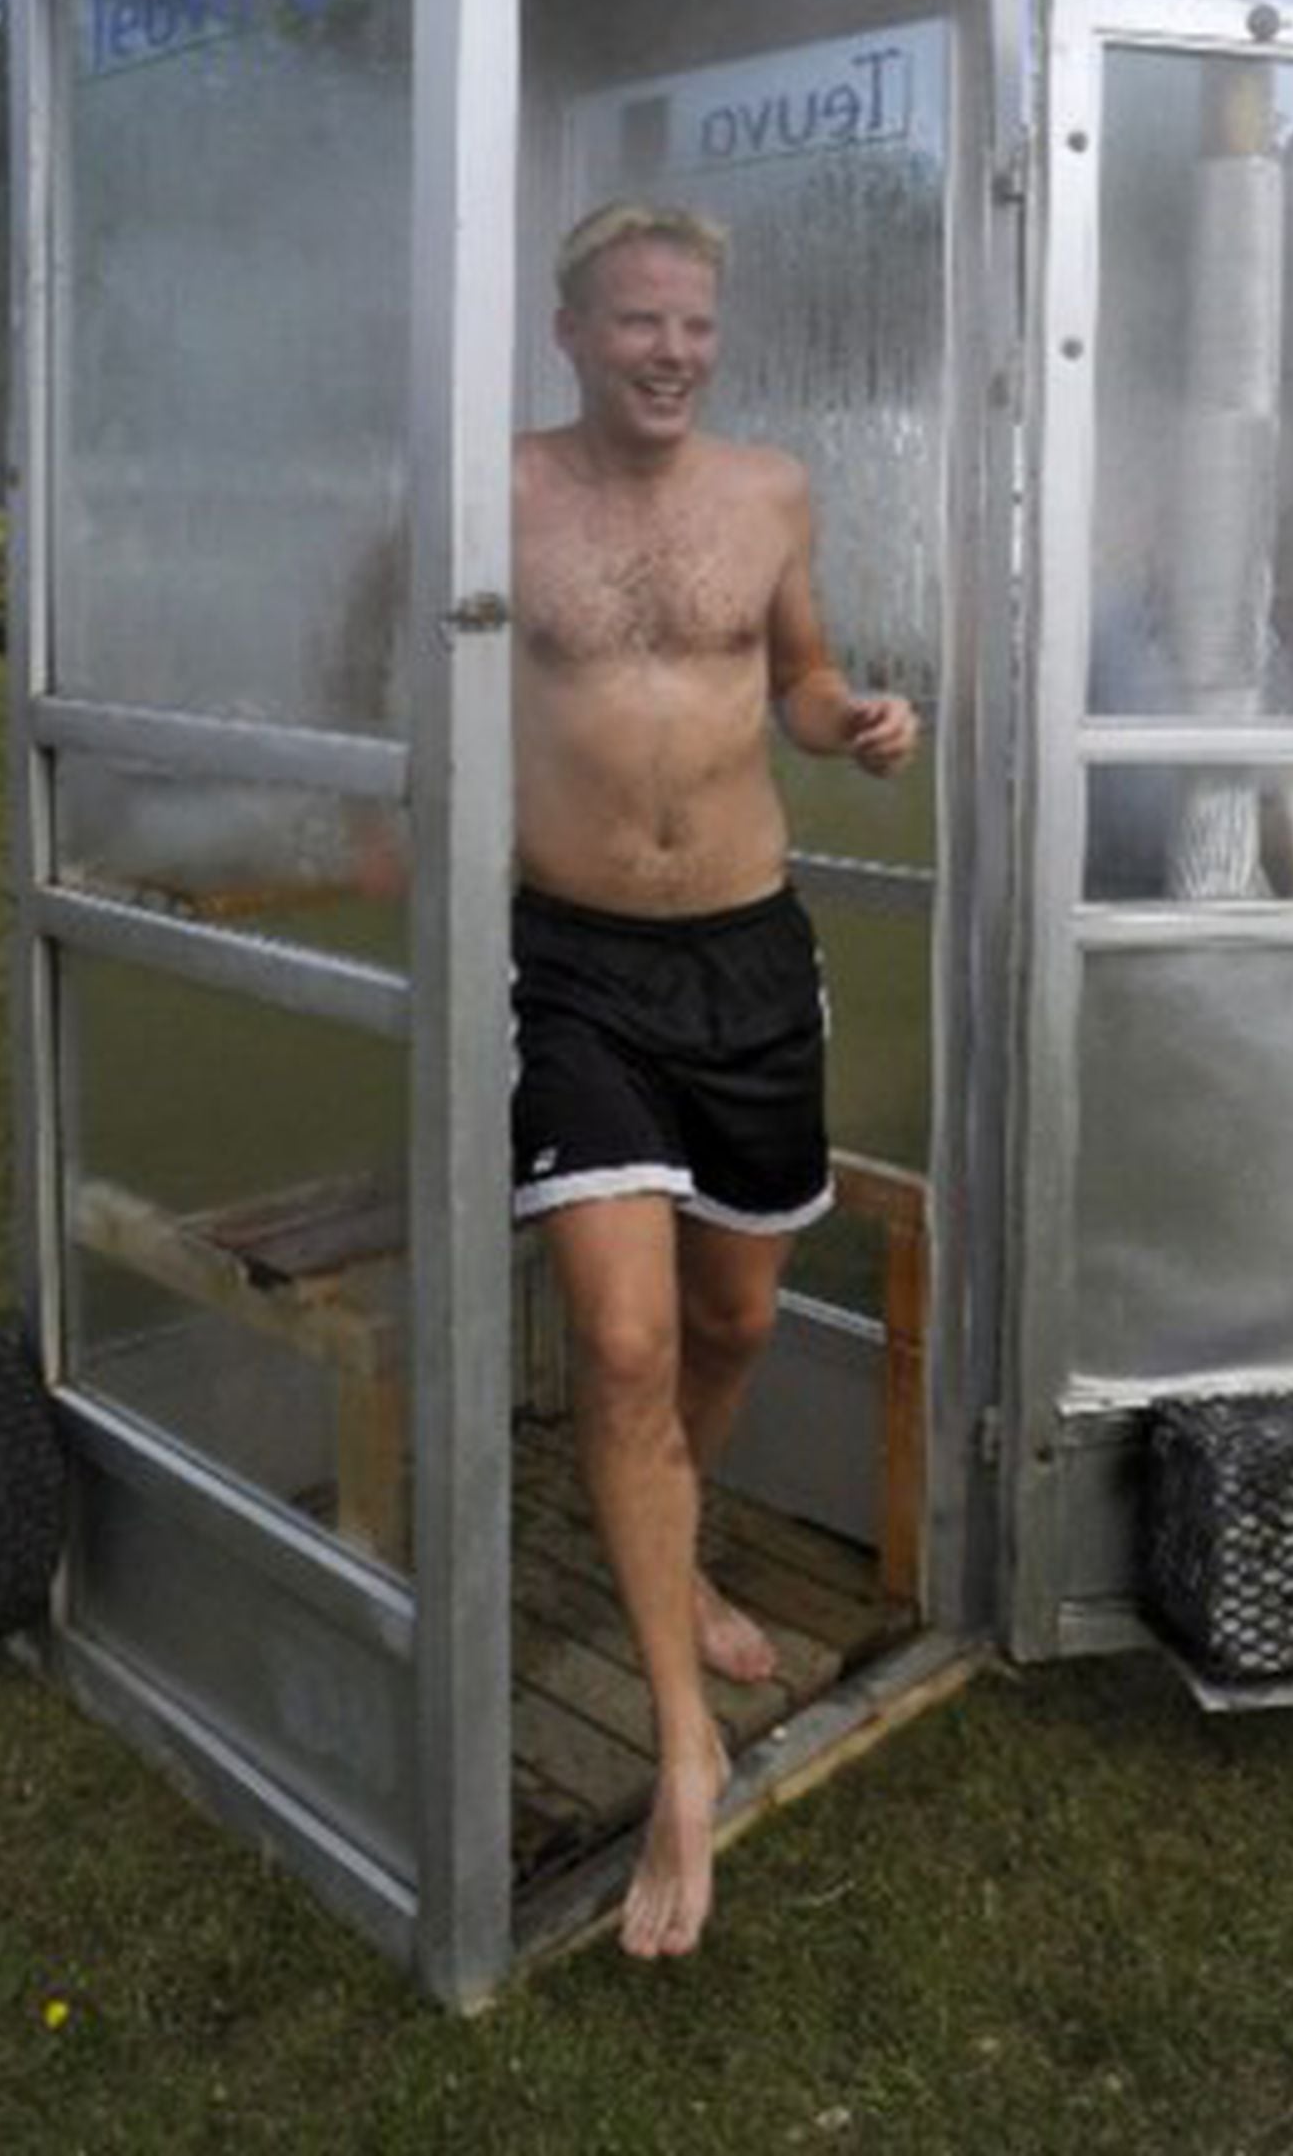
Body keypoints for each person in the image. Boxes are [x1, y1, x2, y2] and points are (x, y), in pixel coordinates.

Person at [512, 199, 917, 1961]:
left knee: (735, 1320)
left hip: (750, 952)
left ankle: (671, 1561)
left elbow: (802, 676)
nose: (669, 351)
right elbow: (391, 650)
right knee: (621, 1338)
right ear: (570, 331)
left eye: (691, 324)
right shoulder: (500, 492)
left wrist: (856, 721)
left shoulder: (771, 492)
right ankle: (686, 1740)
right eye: (635, 323)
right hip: (574, 963)